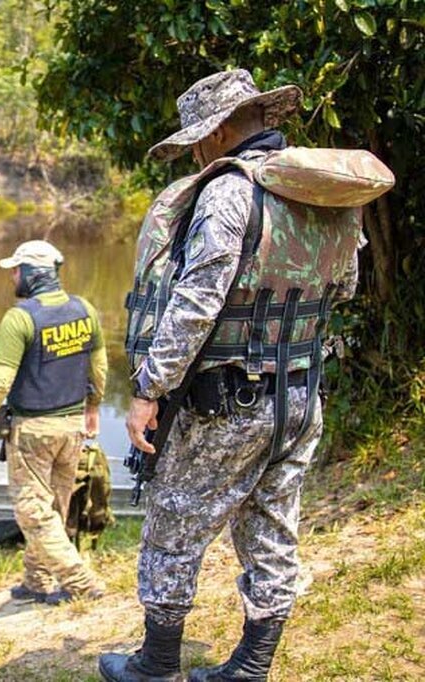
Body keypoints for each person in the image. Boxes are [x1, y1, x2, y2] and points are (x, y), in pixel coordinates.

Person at [99, 69, 366, 682]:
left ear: (220, 129)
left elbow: (196, 303)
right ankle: (251, 665)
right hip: (300, 392)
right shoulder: (320, 190)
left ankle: (157, 664)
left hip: (230, 401)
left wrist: (148, 388)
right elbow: (344, 285)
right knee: (272, 523)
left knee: (173, 522)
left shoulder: (229, 193)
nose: (195, 151)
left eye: (198, 138)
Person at [0, 240, 107, 605]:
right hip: (71, 427)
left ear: (31, 274)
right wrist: (93, 406)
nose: (12, 276)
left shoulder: (21, 318)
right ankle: (37, 579)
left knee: (32, 510)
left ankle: (79, 581)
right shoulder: (84, 309)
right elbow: (99, 368)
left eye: (15, 269)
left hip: (33, 430)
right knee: (54, 508)